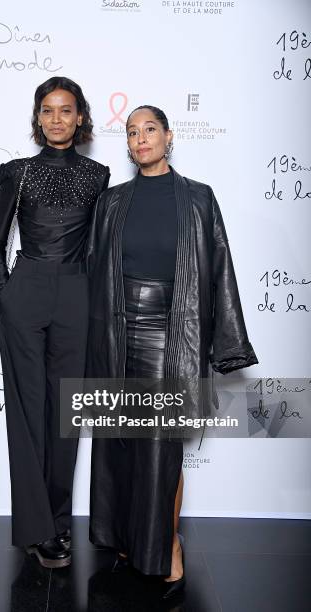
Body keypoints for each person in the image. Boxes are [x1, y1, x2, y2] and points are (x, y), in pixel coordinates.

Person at [86, 105, 258, 598]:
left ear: (169, 136)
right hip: (118, 331)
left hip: (174, 330)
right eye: (133, 132)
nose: (141, 139)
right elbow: (97, 271)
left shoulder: (199, 198)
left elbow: (220, 267)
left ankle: (167, 545)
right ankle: (124, 539)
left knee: (163, 448)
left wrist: (228, 344)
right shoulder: (112, 201)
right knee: (117, 444)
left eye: (150, 130)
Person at [0, 76, 109, 568]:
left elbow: (100, 247)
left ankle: (58, 524)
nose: (56, 118)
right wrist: (8, 296)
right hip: (28, 289)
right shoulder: (16, 171)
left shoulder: (99, 175)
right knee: (28, 412)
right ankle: (37, 529)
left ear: (80, 117)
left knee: (67, 414)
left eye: (66, 110)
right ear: (37, 118)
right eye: (47, 110)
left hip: (78, 294)